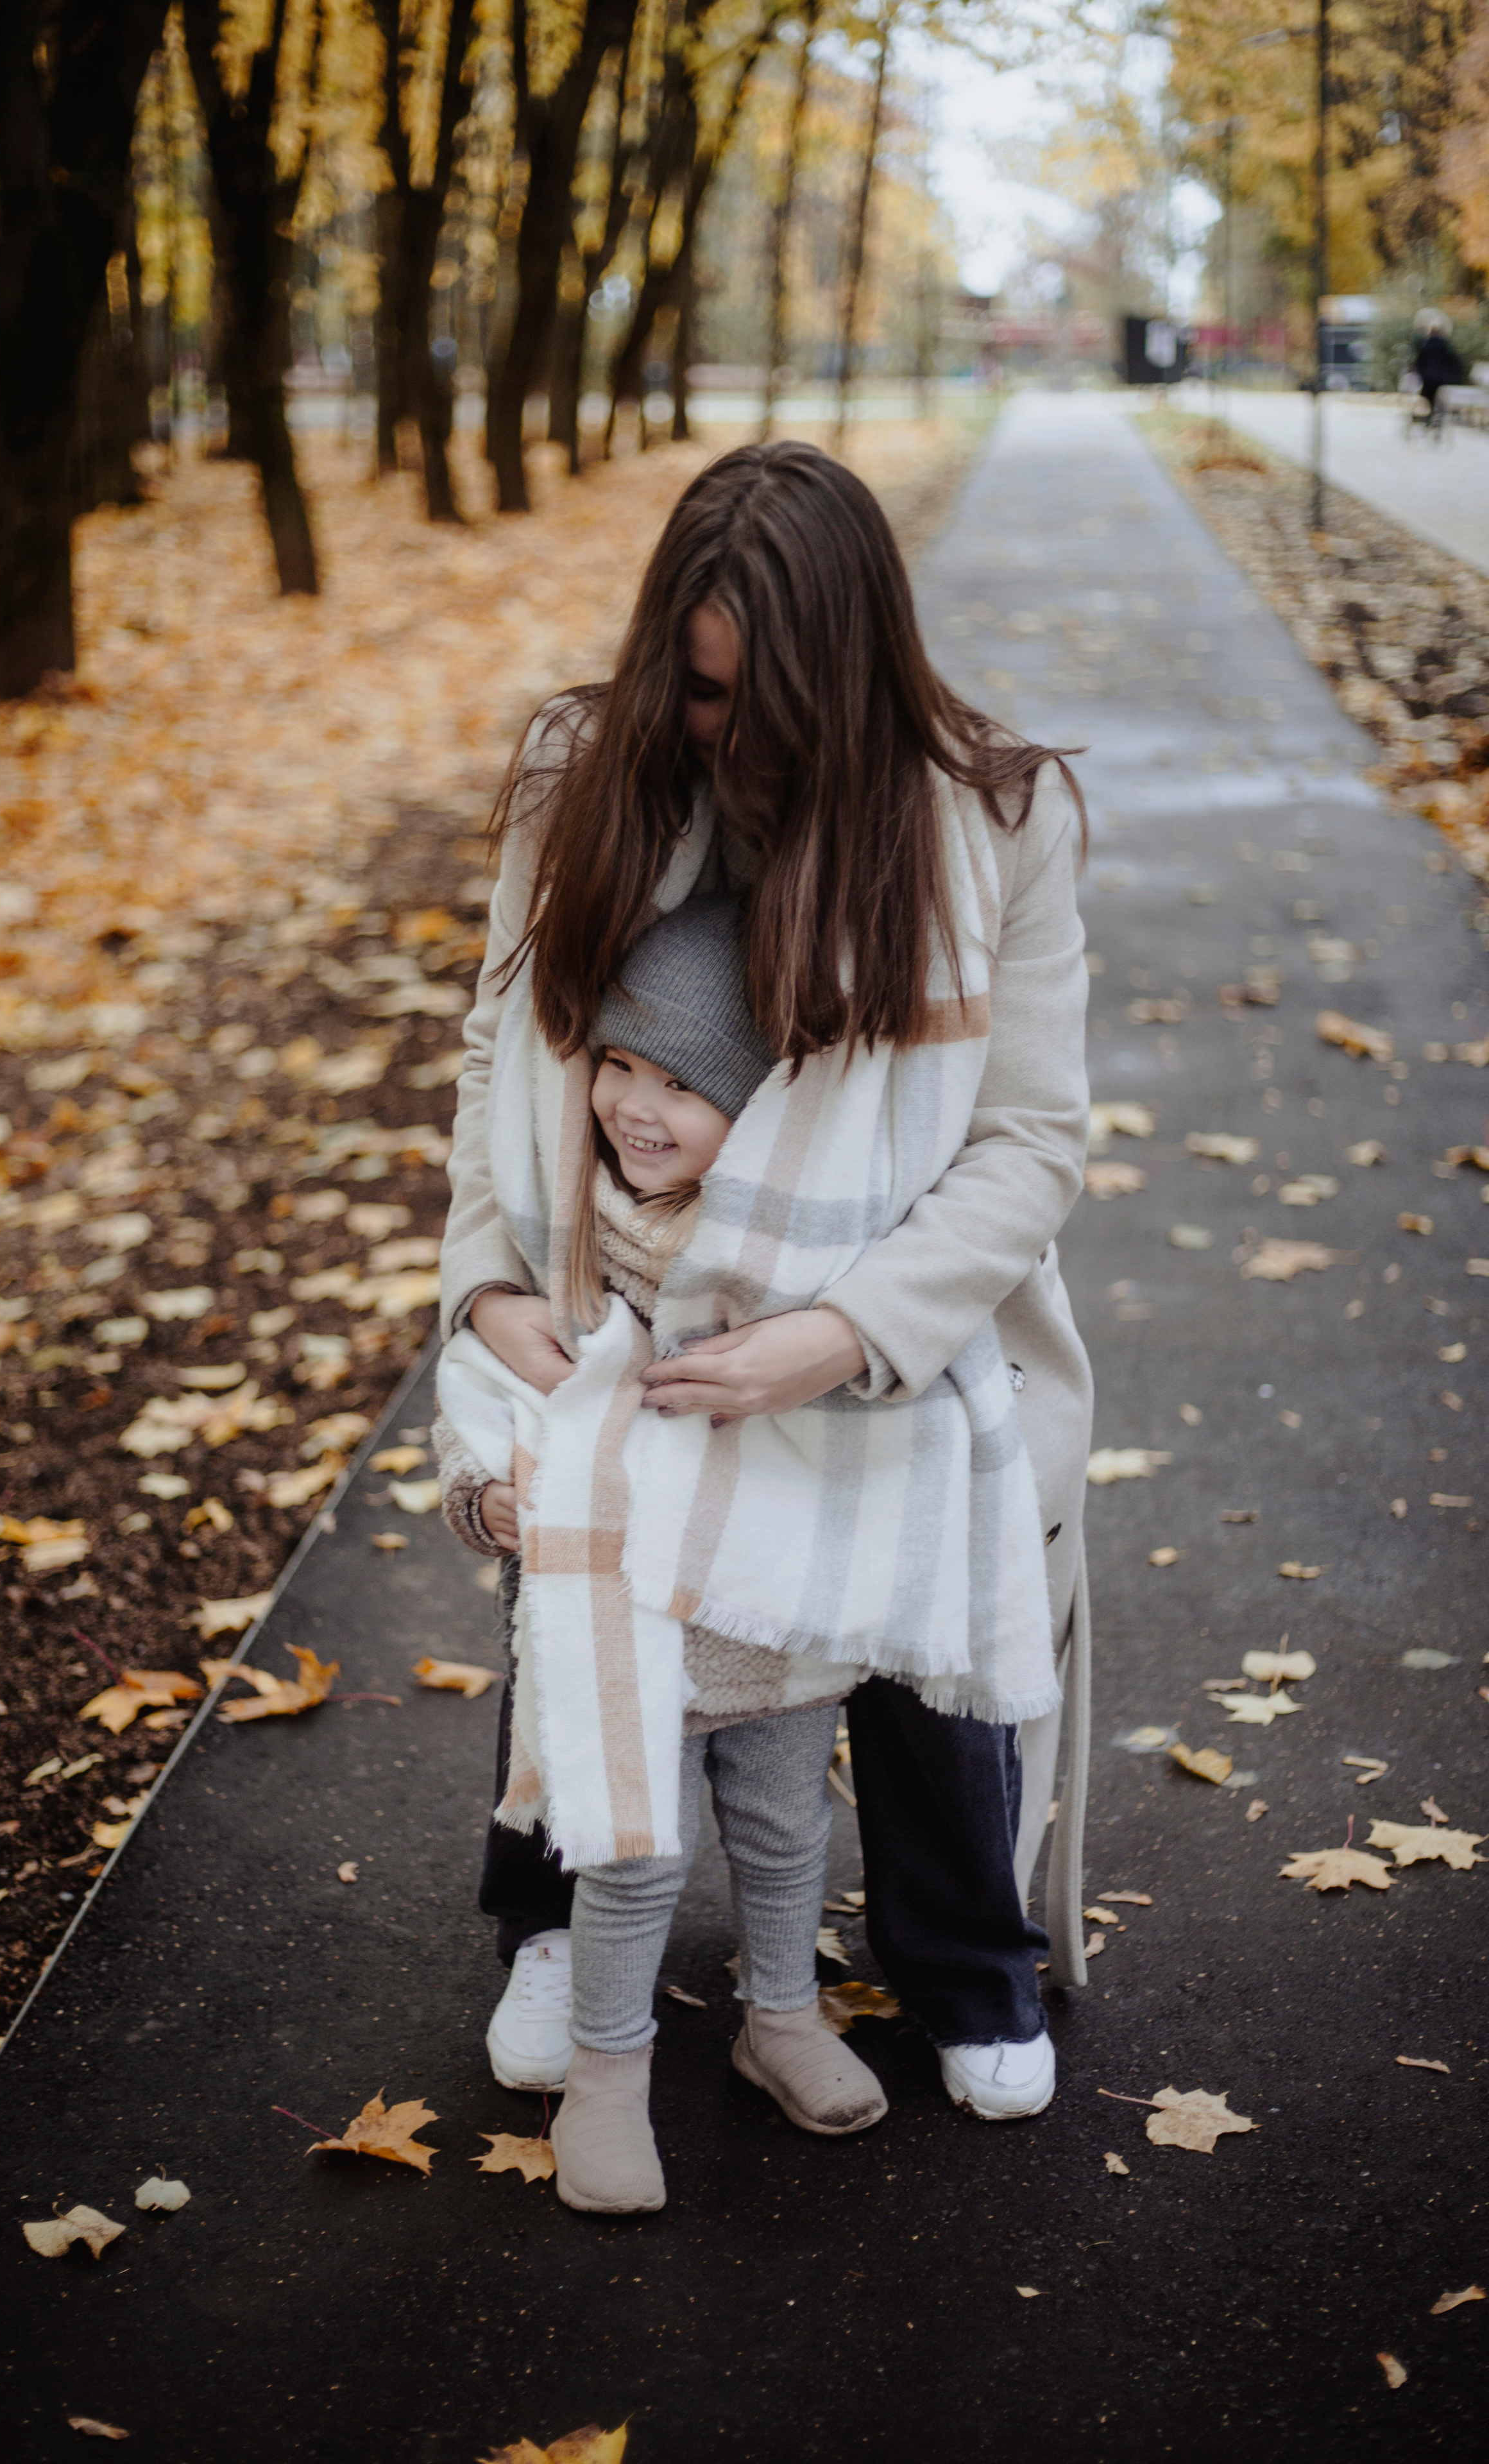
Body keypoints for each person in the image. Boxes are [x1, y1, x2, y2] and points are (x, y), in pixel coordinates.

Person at [437, 440, 1094, 2178]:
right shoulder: (590, 769)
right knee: (591, 1552)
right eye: (705, 691)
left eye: (768, 702)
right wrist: (480, 1283)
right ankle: (563, 1927)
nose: (731, 735)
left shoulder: (995, 816)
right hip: (631, 1289)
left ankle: (959, 1956)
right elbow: (505, 1060)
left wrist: (850, 1331)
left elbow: (1029, 1141)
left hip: (888, 1295)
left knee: (912, 1587)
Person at [436, 894, 895, 2212]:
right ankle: (607, 2073)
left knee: (781, 1826)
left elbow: (867, 1407)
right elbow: (485, 1393)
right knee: (633, 1850)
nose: (633, 1107)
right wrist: (486, 1502)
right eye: (616, 1067)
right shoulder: (566, 1228)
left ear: (758, 1103)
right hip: (617, 1615)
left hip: (771, 1610)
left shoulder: (800, 1246)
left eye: (681, 1082)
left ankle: (782, 2018)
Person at [1412, 313, 1467, 425]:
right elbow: (1455, 363)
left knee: (1427, 397)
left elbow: (1419, 363)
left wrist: (1422, 374)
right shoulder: (1445, 346)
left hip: (1428, 378)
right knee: (1439, 399)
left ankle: (1423, 418)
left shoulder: (1425, 346)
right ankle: (1437, 418)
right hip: (1442, 379)